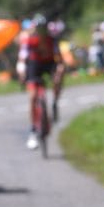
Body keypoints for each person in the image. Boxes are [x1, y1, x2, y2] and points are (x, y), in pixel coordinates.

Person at [18, 14, 62, 149]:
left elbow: (59, 59)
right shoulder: (29, 41)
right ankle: (33, 131)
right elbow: (22, 59)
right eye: (39, 29)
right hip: (34, 64)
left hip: (49, 64)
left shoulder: (52, 40)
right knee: (32, 97)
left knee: (59, 75)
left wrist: (59, 72)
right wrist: (21, 72)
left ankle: (54, 101)